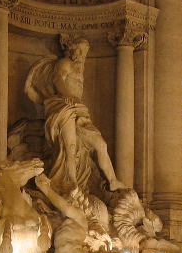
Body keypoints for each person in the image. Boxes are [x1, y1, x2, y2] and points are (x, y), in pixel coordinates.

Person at [25, 37, 125, 193]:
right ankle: (72, 183)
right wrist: (66, 95)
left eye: (84, 51)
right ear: (71, 50)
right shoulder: (64, 63)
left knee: (100, 144)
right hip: (64, 106)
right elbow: (58, 79)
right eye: (79, 50)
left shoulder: (79, 68)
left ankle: (113, 181)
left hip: (79, 109)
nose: (81, 54)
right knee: (69, 147)